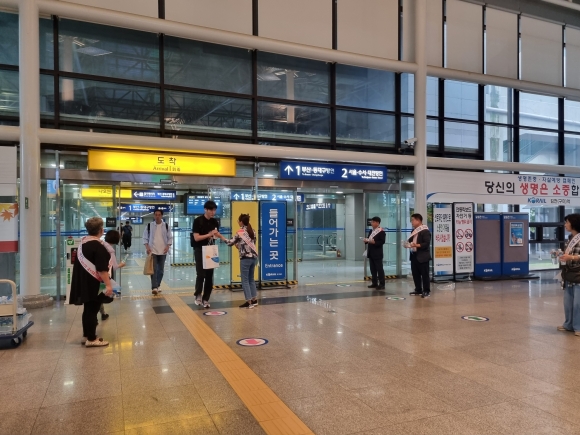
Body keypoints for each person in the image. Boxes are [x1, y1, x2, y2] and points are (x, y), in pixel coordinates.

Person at [69, 217, 114, 347]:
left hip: (84, 282)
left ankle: (86, 335)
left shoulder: (83, 244)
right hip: (94, 284)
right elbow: (102, 269)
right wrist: (108, 285)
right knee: (93, 310)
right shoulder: (98, 247)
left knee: (88, 309)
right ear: (101, 230)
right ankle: (92, 339)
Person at [218, 214, 259, 308]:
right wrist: (239, 247)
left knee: (245, 280)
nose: (238, 222)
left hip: (245, 259)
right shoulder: (253, 231)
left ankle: (248, 302)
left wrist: (220, 236)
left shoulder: (240, 232)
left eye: (238, 221)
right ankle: (254, 300)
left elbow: (230, 243)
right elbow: (250, 245)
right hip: (253, 258)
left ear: (241, 222)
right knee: (251, 279)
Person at [193, 200, 220, 308]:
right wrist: (209, 235)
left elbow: (216, 235)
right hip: (200, 249)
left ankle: (206, 299)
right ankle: (198, 294)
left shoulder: (215, 222)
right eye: (211, 210)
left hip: (211, 250)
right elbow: (196, 237)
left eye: (214, 210)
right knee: (201, 274)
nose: (213, 212)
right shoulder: (198, 221)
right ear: (205, 209)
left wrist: (215, 236)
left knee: (209, 275)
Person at [557, 213, 580, 336]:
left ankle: (578, 327)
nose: (565, 224)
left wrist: (571, 257)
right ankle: (569, 324)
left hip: (578, 274)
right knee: (568, 302)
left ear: (574, 223)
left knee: (578, 304)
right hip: (568, 274)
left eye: (567, 222)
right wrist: (560, 254)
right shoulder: (570, 238)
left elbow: (574, 256)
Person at [143, 209, 173, 295]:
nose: (157, 216)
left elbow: (170, 237)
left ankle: (158, 285)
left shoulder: (166, 226)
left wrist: (168, 246)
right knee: (154, 270)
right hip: (153, 251)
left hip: (163, 251)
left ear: (162, 216)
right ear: (154, 216)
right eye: (156, 215)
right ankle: (154, 287)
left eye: (159, 215)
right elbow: (145, 237)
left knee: (161, 270)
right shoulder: (149, 225)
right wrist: (147, 247)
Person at [100, 230, 126, 320]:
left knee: (97, 294)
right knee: (105, 292)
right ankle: (101, 313)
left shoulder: (100, 245)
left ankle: (103, 313)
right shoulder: (110, 250)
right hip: (104, 276)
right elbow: (114, 266)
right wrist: (121, 265)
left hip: (95, 274)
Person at [406, 213, 432, 298]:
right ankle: (418, 289)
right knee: (415, 274)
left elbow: (426, 244)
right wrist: (407, 244)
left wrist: (416, 245)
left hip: (422, 256)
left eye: (413, 220)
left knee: (425, 274)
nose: (411, 222)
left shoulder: (425, 231)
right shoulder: (413, 231)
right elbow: (410, 241)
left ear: (418, 220)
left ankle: (426, 291)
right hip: (414, 255)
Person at [363, 216, 386, 290]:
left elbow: (382, 241)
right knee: (372, 269)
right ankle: (374, 282)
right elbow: (369, 239)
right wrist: (366, 240)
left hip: (377, 253)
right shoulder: (371, 231)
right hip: (371, 252)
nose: (371, 223)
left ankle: (382, 284)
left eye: (373, 222)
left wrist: (374, 242)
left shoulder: (381, 231)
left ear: (377, 223)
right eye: (371, 222)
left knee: (379, 269)